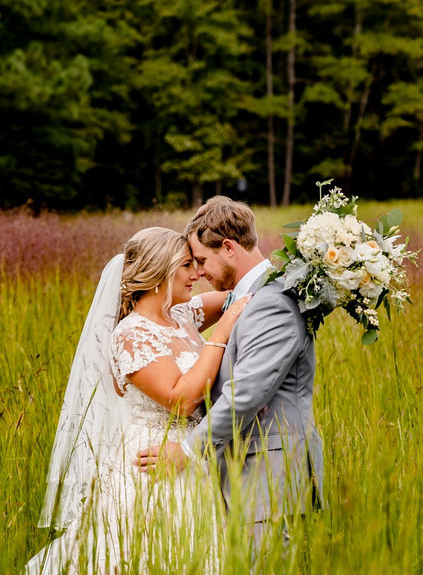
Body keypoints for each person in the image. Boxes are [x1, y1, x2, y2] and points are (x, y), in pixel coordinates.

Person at [0, 226, 250, 575]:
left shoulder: (182, 315)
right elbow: (182, 398)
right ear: (158, 273)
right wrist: (223, 330)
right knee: (145, 562)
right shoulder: (131, 334)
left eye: (196, 264)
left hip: (191, 460)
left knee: (198, 560)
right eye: (186, 265)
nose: (197, 274)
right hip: (150, 466)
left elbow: (240, 294)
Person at [135, 196, 325, 547]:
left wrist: (187, 450)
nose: (199, 272)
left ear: (228, 248)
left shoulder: (271, 302)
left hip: (270, 475)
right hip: (246, 473)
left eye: (202, 260)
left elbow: (247, 393)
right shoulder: (246, 296)